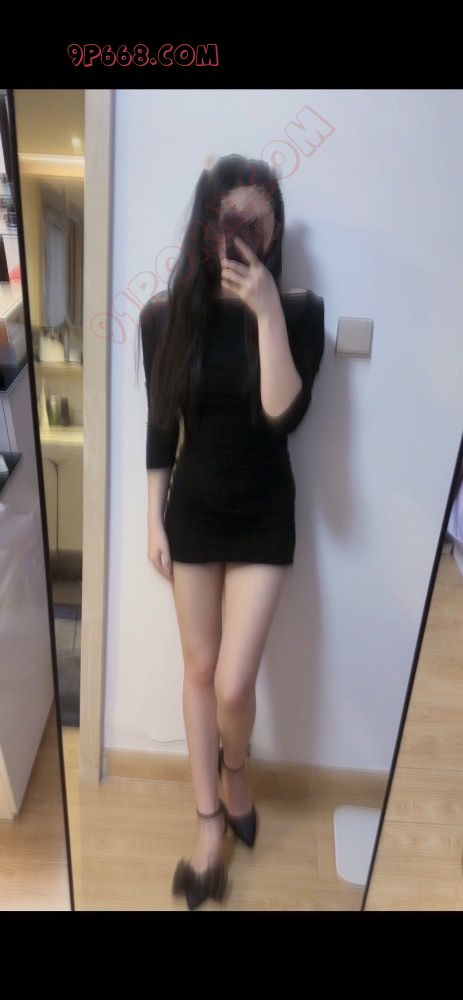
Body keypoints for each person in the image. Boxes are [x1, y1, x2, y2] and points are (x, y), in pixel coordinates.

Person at [137, 154, 325, 910]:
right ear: (204, 224)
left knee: (235, 683)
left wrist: (267, 311)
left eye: (255, 221)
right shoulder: (163, 316)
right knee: (200, 669)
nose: (239, 234)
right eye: (226, 219)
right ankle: (208, 823)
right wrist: (152, 515)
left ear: (274, 230)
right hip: (193, 511)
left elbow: (283, 416)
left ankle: (236, 771)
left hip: (264, 512)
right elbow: (160, 424)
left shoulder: (301, 311)